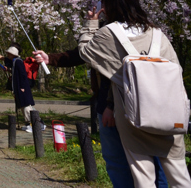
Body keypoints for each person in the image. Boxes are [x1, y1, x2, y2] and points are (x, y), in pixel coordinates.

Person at [78, 0, 191, 188]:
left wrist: (91, 23)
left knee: (143, 175)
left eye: (103, 2)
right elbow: (177, 71)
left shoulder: (108, 33)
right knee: (178, 174)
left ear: (108, 6)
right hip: (169, 111)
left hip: (134, 112)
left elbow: (86, 51)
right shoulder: (157, 33)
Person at [32, 46, 168, 188]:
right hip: (141, 103)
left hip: (125, 104)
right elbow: (86, 51)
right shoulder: (150, 32)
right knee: (137, 159)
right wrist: (52, 58)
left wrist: (110, 105)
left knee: (133, 160)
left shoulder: (108, 31)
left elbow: (111, 68)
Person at [0, 44, 35, 132]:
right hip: (18, 87)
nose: (7, 55)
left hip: (22, 87)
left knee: (26, 105)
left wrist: (22, 86)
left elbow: (22, 74)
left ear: (13, 54)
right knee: (22, 105)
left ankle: (33, 124)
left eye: (9, 53)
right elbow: (15, 71)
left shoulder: (18, 61)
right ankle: (29, 123)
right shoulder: (14, 61)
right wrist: (8, 70)